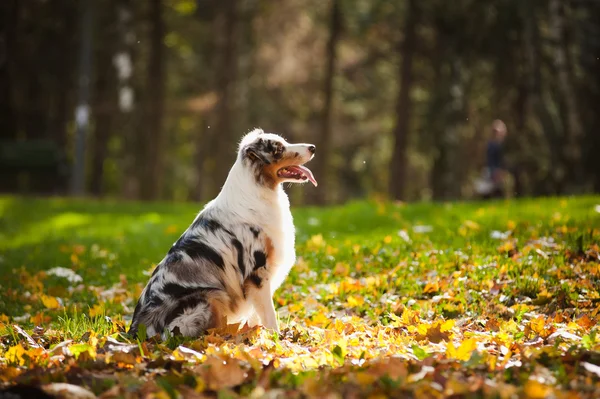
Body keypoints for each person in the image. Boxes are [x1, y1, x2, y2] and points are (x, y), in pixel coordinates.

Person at [475, 120, 508, 199]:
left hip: (494, 171)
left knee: (496, 192)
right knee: (492, 192)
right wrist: (496, 171)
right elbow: (491, 160)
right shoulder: (493, 145)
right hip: (493, 172)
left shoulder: (499, 144)